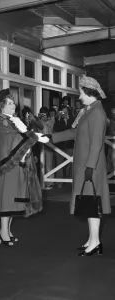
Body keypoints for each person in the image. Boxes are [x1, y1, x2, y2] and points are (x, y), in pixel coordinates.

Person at [48, 76, 110, 256]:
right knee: (89, 204)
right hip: (85, 165)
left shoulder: (97, 112)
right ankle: (92, 239)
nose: (80, 96)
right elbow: (75, 132)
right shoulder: (88, 111)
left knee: (92, 204)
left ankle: (96, 242)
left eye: (81, 93)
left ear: (89, 93)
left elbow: (97, 143)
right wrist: (52, 137)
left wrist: (90, 167)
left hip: (91, 167)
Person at [0, 92, 49, 246]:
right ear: (1, 105)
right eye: (9, 103)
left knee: (14, 201)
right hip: (6, 167)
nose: (13, 106)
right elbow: (12, 139)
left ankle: (7, 231)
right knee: (7, 201)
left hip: (16, 165)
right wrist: (34, 138)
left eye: (13, 103)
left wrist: (33, 136)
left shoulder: (12, 120)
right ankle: (3, 232)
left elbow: (21, 136)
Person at [38, 107, 55, 189]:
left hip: (50, 144)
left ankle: (50, 182)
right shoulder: (38, 122)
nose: (43, 115)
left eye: (44, 114)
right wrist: (39, 120)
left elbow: (52, 129)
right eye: (41, 114)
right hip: (41, 145)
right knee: (42, 164)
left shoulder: (51, 121)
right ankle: (42, 183)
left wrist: (47, 121)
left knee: (49, 163)